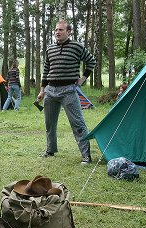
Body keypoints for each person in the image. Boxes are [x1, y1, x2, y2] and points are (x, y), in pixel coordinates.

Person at [36, 19, 96, 165]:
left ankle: (86, 156)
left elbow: (91, 61)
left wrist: (83, 78)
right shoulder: (49, 48)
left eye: (61, 30)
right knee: (49, 123)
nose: (57, 32)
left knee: (78, 123)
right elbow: (46, 70)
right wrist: (42, 90)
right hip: (50, 90)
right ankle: (50, 150)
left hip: (69, 90)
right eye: (56, 30)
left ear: (68, 32)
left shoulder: (77, 46)